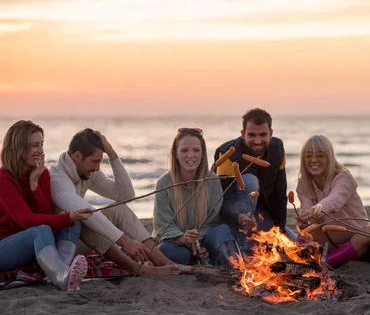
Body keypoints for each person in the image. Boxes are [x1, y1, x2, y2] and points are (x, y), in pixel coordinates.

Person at [49, 129, 180, 276]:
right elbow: (86, 212)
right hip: (59, 249)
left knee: (119, 210)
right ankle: (140, 269)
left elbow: (125, 195)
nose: (97, 168)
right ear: (77, 156)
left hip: (78, 242)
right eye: (95, 161)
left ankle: (167, 264)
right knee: (85, 220)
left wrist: (112, 155)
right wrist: (125, 242)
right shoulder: (57, 179)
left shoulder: (86, 172)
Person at [0, 120, 92, 291]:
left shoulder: (42, 174)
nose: (41, 150)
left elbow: (45, 213)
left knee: (72, 222)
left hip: (29, 247)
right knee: (43, 229)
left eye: (41, 144)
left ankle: (63, 271)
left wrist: (34, 182)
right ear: (19, 148)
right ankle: (61, 276)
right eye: (35, 145)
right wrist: (67, 217)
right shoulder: (4, 179)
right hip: (4, 247)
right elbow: (25, 220)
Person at [153, 128, 239, 266]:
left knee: (223, 232)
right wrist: (184, 239)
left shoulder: (212, 180)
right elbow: (162, 227)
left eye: (196, 150)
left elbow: (214, 221)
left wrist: (197, 239)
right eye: (184, 150)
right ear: (176, 153)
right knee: (165, 250)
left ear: (203, 153)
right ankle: (194, 259)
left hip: (204, 239)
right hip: (176, 243)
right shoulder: (164, 184)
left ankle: (228, 266)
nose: (190, 155)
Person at [295, 135, 370, 267]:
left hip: (355, 238)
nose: (314, 160)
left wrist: (312, 212)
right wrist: (304, 220)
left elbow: (335, 200)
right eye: (308, 156)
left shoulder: (343, 178)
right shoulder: (303, 184)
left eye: (320, 156)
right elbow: (307, 210)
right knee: (308, 228)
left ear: (329, 157)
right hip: (328, 241)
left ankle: (329, 262)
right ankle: (313, 258)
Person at [214, 108, 289, 251]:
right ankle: (243, 242)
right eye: (252, 135)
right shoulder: (227, 155)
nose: (258, 141)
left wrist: (281, 231)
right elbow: (221, 203)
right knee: (250, 181)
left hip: (260, 213)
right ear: (243, 134)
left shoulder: (278, 150)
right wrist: (239, 216)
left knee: (288, 241)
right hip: (234, 216)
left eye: (263, 135)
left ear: (271, 134)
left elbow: (280, 196)